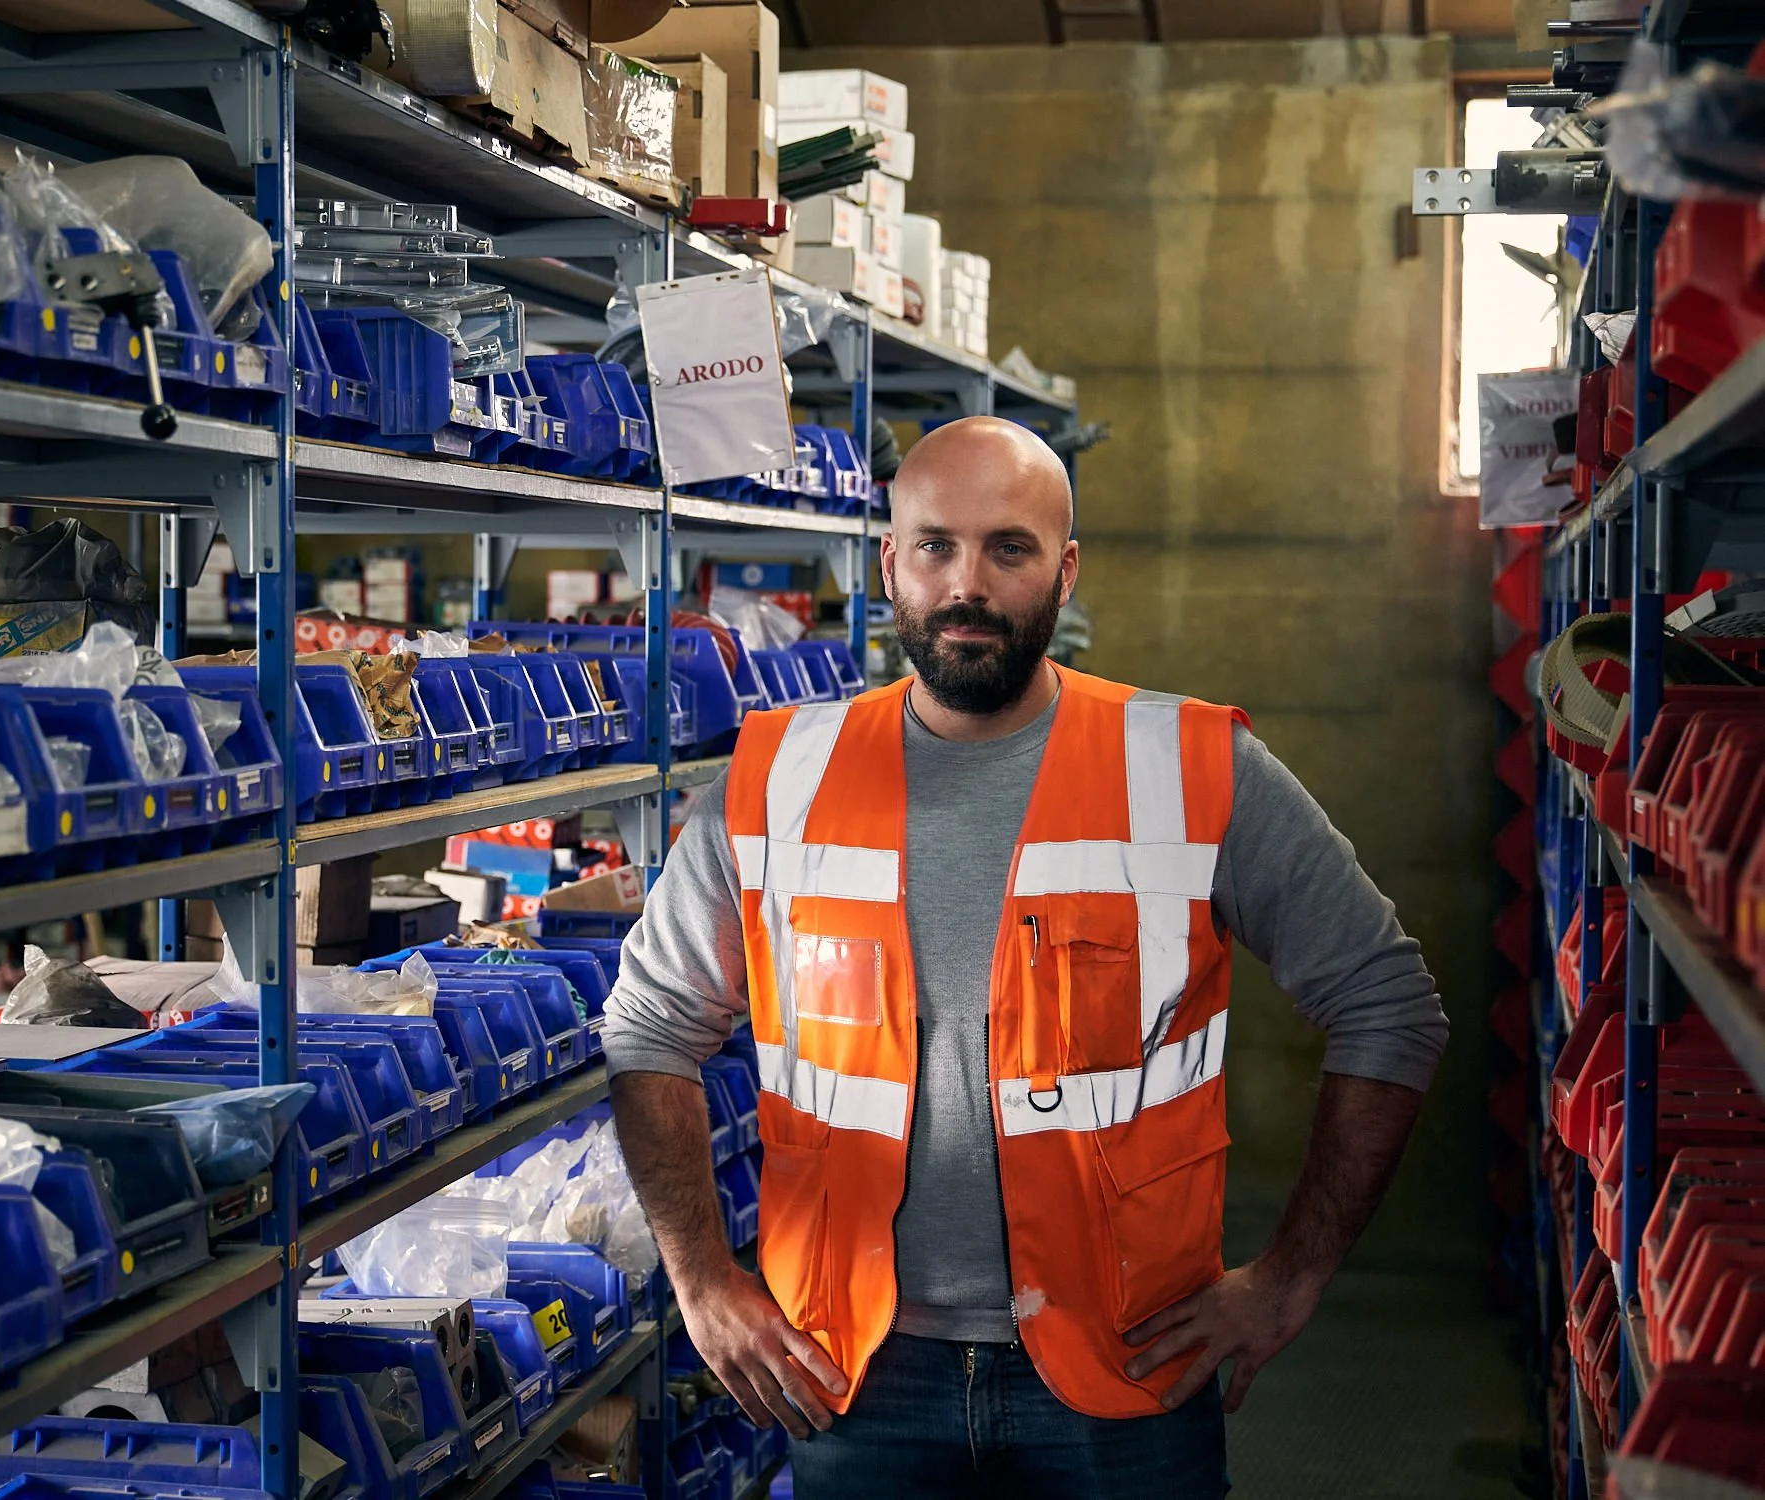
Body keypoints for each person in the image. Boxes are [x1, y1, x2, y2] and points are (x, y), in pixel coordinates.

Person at [601, 416, 1448, 1498]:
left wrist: (1290, 1278)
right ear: (888, 563)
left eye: (1011, 548)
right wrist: (704, 1281)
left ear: (1066, 567)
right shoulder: (779, 777)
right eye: (936, 545)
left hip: (1125, 1374)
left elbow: (1392, 1005)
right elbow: (649, 1027)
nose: (969, 584)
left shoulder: (1190, 767)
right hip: (854, 1373)